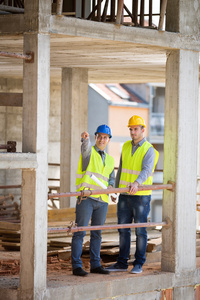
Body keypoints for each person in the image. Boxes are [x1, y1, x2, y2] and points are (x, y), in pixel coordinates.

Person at [107, 115, 159, 274]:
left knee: (140, 231)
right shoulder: (126, 147)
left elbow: (146, 171)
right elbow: (121, 169)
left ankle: (139, 263)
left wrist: (137, 183)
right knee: (123, 229)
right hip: (124, 194)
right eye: (131, 129)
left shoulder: (149, 150)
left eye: (136, 129)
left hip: (141, 196)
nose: (133, 132)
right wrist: (116, 189)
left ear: (143, 130)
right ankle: (121, 263)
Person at [71, 124, 115, 276]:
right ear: (96, 137)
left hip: (102, 201)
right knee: (80, 232)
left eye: (105, 137)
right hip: (86, 198)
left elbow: (111, 178)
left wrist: (111, 186)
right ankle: (77, 266)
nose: (102, 139)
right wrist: (85, 140)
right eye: (100, 136)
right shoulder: (89, 154)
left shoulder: (110, 160)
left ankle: (95, 265)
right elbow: (85, 149)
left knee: (97, 234)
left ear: (108, 140)